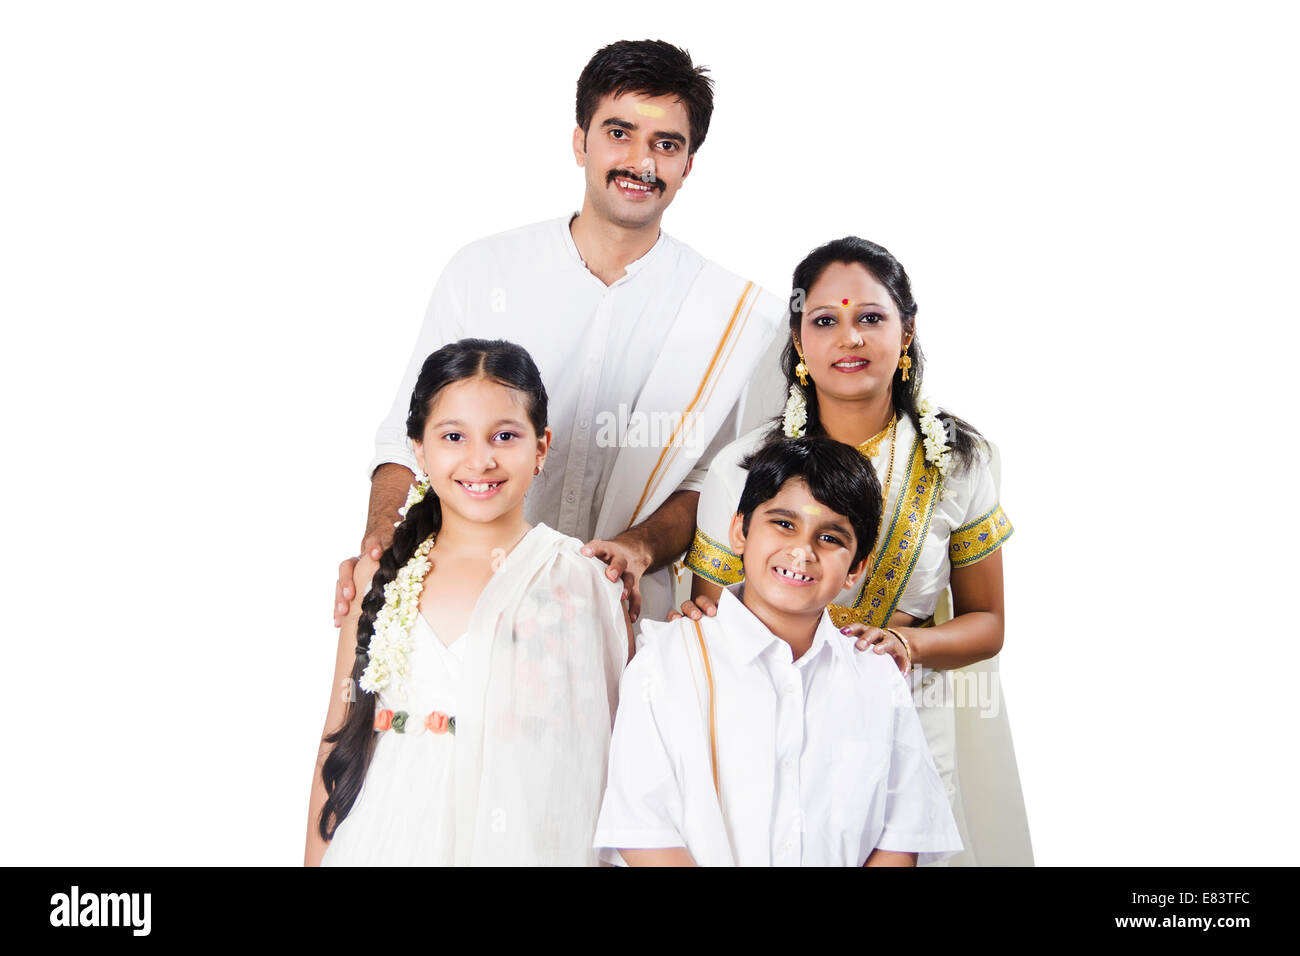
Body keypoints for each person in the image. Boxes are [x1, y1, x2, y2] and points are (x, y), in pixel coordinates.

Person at [332, 39, 784, 632]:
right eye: (618, 133)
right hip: (466, 609)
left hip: (625, 625)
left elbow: (720, 483)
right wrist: (381, 546)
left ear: (687, 166)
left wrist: (639, 547)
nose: (641, 163)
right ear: (580, 141)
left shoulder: (735, 317)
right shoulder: (484, 272)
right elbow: (406, 437)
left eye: (665, 145)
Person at [676, 237, 1032, 866]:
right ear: (798, 341)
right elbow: (716, 635)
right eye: (825, 321)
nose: (850, 338)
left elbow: (989, 624)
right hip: (773, 728)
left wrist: (906, 645)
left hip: (910, 723)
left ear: (907, 330)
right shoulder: (740, 469)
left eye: (870, 317)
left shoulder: (959, 462)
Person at [305, 339, 631, 866]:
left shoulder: (579, 579)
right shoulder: (380, 576)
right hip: (385, 838)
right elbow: (338, 738)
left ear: (541, 447)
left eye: (505, 436)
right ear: (418, 449)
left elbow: (608, 753)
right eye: (453, 436)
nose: (480, 460)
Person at [593, 437, 963, 866]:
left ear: (856, 568)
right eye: (783, 524)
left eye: (829, 537)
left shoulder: (877, 679)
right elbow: (642, 828)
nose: (801, 552)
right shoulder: (667, 661)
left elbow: (902, 835)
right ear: (739, 531)